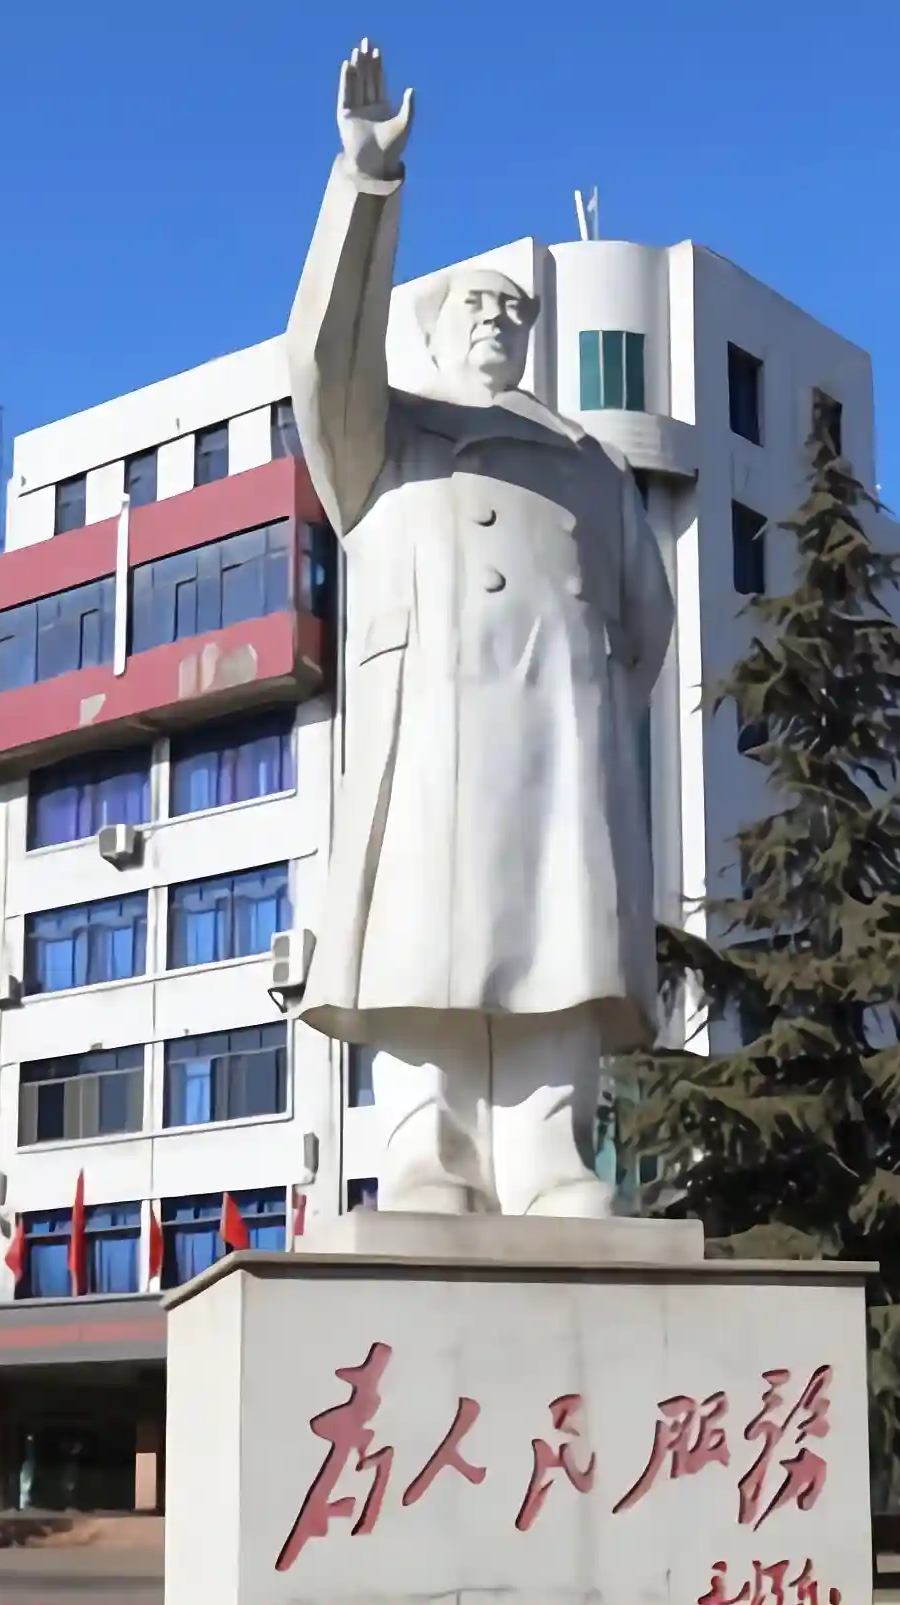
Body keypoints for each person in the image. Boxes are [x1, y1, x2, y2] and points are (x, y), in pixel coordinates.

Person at [286, 40, 675, 1218]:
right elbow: (321, 353)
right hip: (429, 727)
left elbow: (645, 621)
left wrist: (577, 697)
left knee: (559, 934)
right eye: (478, 307)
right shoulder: (382, 432)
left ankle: (551, 1148)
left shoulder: (590, 463)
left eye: (515, 312)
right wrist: (366, 183)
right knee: (423, 939)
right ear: (433, 328)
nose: (498, 323)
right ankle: (428, 1149)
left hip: (557, 735)